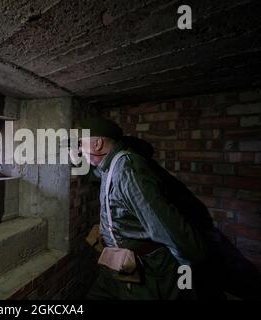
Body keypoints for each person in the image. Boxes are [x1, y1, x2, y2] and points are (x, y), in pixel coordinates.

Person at [74, 117, 261, 300]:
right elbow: (97, 174)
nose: (80, 150)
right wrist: (75, 159)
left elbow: (166, 227)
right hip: (119, 266)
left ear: (97, 144)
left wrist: (189, 272)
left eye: (82, 144)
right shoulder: (111, 164)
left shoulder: (128, 169)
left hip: (147, 271)